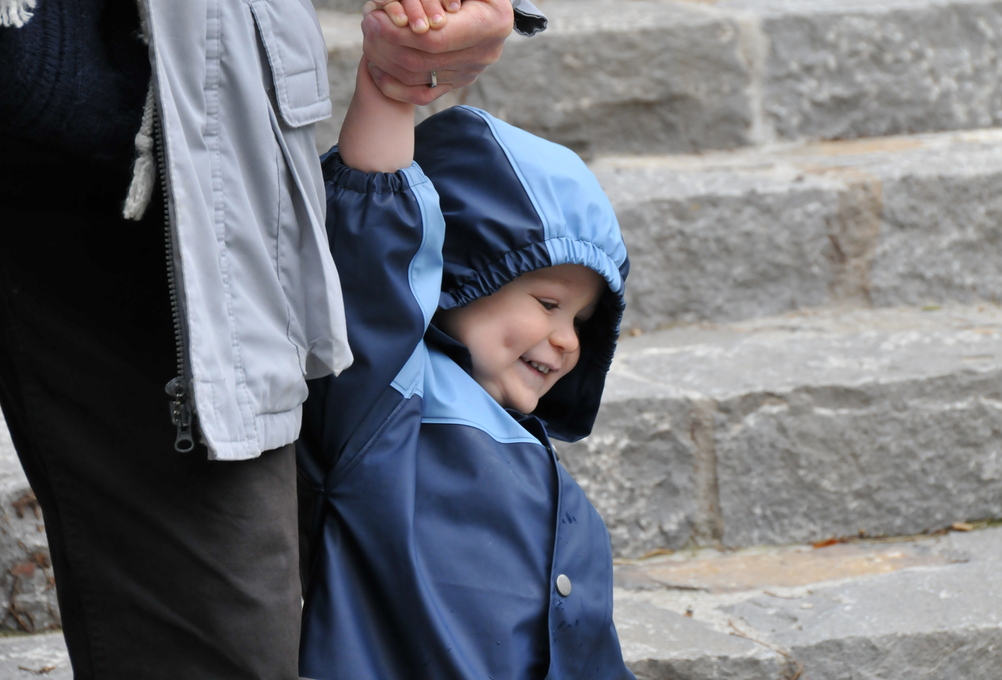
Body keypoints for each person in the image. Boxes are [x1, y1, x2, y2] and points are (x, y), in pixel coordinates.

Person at [0, 0, 542, 677]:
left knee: (232, 637)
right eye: (548, 304)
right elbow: (379, 252)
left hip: (157, 133)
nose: (563, 344)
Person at [295, 10, 635, 678]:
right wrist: (392, 88)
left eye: (581, 320)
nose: (566, 340)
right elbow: (376, 237)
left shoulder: (532, 458)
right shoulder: (385, 402)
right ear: (453, 276)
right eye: (547, 304)